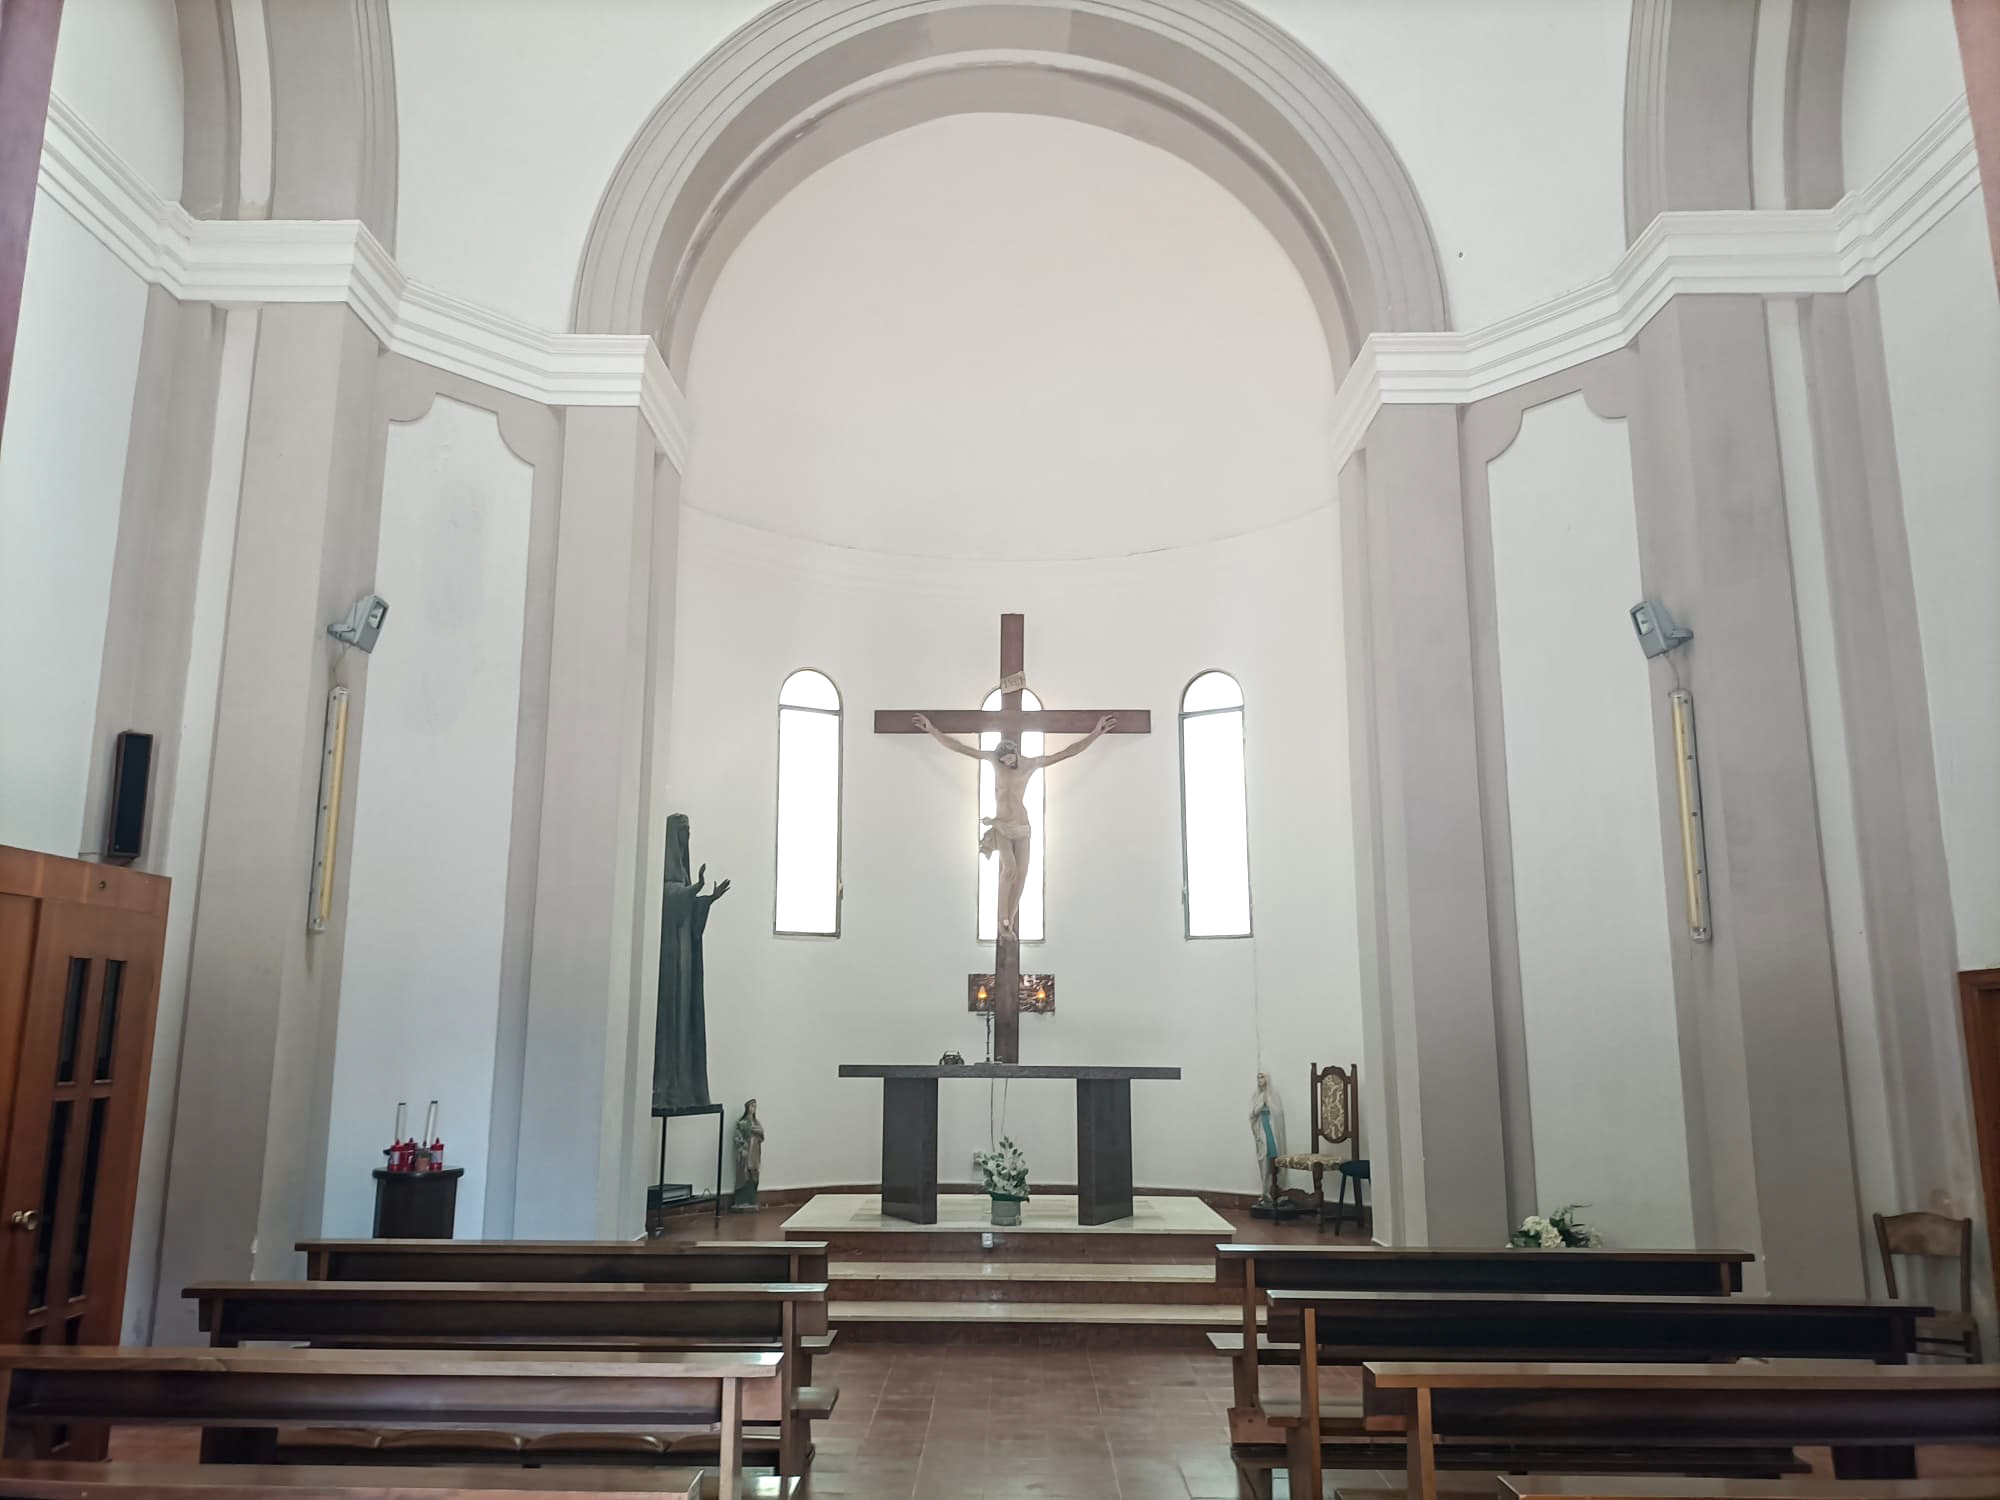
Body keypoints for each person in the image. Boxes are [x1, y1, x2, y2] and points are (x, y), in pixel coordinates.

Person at [914, 711, 1115, 937]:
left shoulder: (1031, 764)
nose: (1007, 765)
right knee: (1008, 869)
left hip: (1022, 825)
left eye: (1010, 760)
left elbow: (1068, 753)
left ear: (1016, 754)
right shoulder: (993, 759)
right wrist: (932, 730)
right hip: (1002, 824)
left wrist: (1096, 733)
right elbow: (960, 747)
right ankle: (1002, 921)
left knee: (1022, 873)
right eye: (1003, 762)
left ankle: (1009, 919)